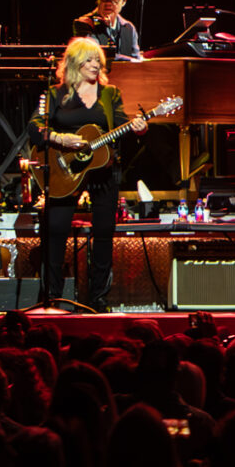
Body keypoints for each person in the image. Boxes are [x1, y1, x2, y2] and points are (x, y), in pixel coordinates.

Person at [32, 36, 144, 309]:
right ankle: (54, 297)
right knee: (56, 229)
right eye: (89, 60)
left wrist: (137, 127)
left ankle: (97, 299)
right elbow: (35, 127)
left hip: (103, 170)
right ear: (74, 63)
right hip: (65, 171)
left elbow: (120, 125)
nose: (95, 65)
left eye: (98, 61)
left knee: (104, 231)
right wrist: (60, 139)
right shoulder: (54, 93)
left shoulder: (110, 94)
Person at [71, 0, 144, 60]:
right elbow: (94, 54)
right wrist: (130, 60)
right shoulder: (85, 24)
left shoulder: (129, 27)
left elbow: (136, 57)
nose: (108, 3)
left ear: (124, 1)